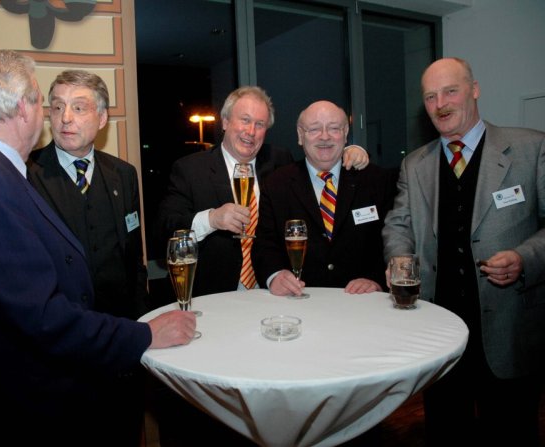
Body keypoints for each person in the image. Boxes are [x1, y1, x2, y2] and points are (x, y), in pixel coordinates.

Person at [0, 49, 196, 447]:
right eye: (50, 104)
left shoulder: (118, 174)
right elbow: (37, 312)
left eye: (78, 108)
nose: (62, 117)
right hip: (42, 381)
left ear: (102, 118)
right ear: (25, 107)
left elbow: (127, 259)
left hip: (105, 356)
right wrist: (144, 335)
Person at [382, 57, 545, 446]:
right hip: (440, 335)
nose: (441, 104)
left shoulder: (531, 147)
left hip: (508, 330)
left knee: (512, 433)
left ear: (474, 90)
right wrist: (399, 259)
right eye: (430, 97)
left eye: (450, 91)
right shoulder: (415, 165)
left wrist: (524, 258)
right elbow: (398, 225)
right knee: (445, 432)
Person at [156, 86, 370, 298]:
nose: (251, 131)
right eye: (245, 120)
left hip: (272, 294)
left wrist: (349, 152)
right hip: (213, 296)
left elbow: (317, 163)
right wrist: (211, 219)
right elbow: (164, 231)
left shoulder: (279, 161)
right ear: (226, 122)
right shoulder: (190, 169)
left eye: (260, 124)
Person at [252, 100, 397, 296]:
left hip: (361, 302)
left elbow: (392, 239)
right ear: (300, 136)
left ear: (345, 133)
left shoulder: (376, 180)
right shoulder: (276, 184)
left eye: (334, 128)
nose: (325, 136)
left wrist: (376, 279)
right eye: (314, 129)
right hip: (300, 300)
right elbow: (265, 245)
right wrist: (275, 275)